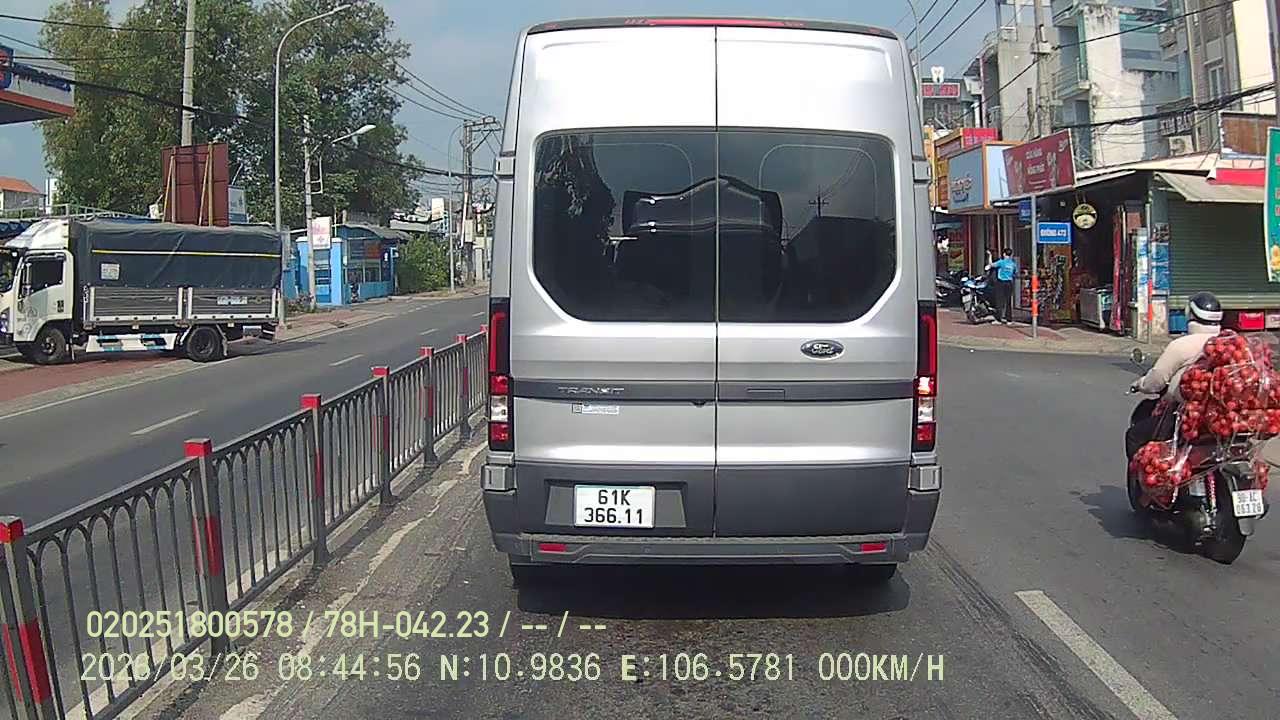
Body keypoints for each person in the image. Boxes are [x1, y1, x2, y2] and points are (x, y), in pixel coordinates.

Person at [1125, 291, 1223, 459]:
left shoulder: (1181, 345)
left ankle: (1140, 476)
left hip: (1186, 415)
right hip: (1222, 415)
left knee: (1134, 436)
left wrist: (1140, 384)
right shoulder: (1229, 342)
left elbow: (1156, 381)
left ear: (1190, 314)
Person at [985, 248, 1017, 324]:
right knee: (1008, 301)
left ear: (1004, 254)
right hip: (1009, 283)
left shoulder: (1001, 262)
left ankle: (998, 319)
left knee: (999, 301)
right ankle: (1009, 320)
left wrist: (990, 255)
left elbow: (991, 265)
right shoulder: (1013, 264)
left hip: (1001, 283)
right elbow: (1014, 273)